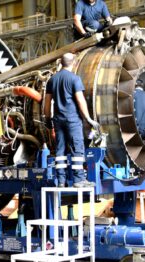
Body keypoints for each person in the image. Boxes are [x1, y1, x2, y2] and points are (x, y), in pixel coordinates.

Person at [44, 53, 100, 188]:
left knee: (60, 150)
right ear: (73, 63)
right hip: (72, 119)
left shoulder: (52, 80)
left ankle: (61, 181)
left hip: (58, 119)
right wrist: (88, 118)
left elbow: (47, 103)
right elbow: (80, 100)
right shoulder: (75, 79)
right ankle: (79, 180)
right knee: (77, 149)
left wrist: (47, 118)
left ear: (61, 63)